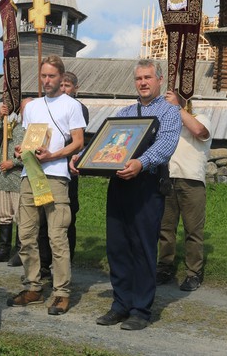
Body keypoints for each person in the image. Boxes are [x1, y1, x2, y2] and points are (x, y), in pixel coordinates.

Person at [76, 59, 181, 331]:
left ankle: (140, 310)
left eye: (148, 77)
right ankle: (120, 304)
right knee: (118, 247)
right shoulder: (125, 113)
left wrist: (141, 163)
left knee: (143, 247)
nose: (143, 82)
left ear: (159, 80)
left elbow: (166, 145)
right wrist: (82, 157)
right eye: (139, 78)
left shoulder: (170, 112)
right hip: (119, 184)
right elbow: (105, 143)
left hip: (147, 185)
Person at [7, 56, 85, 316]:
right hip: (30, 175)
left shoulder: (71, 105)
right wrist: (22, 149)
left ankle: (61, 292)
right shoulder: (32, 107)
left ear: (61, 77)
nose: (47, 80)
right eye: (43, 76)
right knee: (26, 234)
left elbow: (78, 142)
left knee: (57, 236)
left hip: (56, 176)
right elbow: (30, 138)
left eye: (52, 76)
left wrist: (53, 155)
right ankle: (33, 287)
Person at [156, 90, 212, 292]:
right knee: (165, 228)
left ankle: (193, 273)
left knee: (193, 230)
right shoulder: (166, 122)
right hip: (167, 178)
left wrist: (177, 108)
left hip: (191, 180)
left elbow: (198, 131)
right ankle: (164, 267)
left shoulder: (201, 118)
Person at [0, 100, 27, 264]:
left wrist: (14, 163)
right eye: (23, 107)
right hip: (4, 177)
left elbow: (35, 153)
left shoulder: (33, 128)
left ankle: (21, 252)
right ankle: (3, 250)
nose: (24, 110)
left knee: (21, 216)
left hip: (20, 176)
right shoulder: (11, 124)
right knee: (4, 214)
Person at [59, 71, 88, 262]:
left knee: (68, 213)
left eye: (67, 86)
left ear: (75, 88)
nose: (63, 89)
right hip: (50, 166)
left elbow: (74, 137)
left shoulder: (79, 108)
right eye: (61, 85)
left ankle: (67, 257)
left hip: (69, 166)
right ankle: (46, 261)